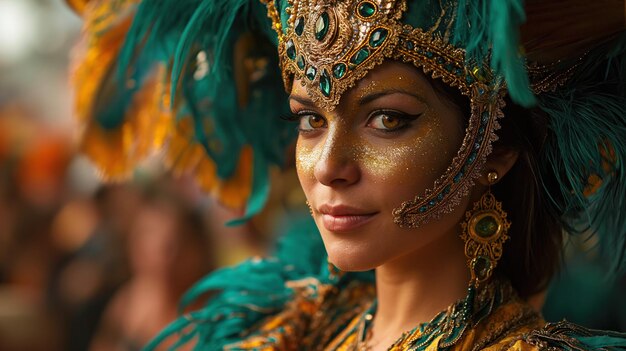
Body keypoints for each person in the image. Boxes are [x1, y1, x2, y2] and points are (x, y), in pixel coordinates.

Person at [66, 0, 626, 350]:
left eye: (388, 120)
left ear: (495, 150)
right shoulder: (288, 328)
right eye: (310, 119)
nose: (329, 166)